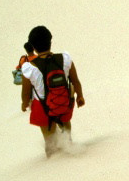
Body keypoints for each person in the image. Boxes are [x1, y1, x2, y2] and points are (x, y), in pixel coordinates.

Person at [20, 26, 85, 157]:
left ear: (32, 46)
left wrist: (24, 103)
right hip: (63, 102)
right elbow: (75, 81)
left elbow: (26, 92)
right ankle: (69, 149)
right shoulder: (65, 59)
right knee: (66, 128)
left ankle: (53, 161)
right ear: (50, 41)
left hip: (42, 108)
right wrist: (80, 96)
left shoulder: (29, 68)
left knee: (49, 141)